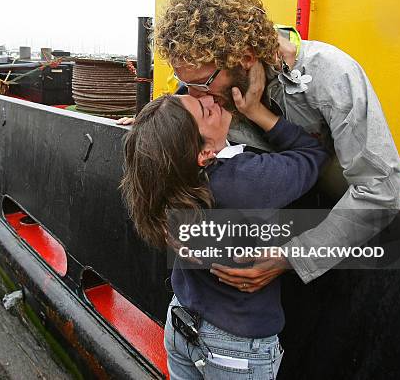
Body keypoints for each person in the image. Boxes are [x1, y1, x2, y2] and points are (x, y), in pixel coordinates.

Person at [148, 0, 400, 289]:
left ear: (244, 58)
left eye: (202, 83)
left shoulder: (331, 77)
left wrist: (293, 257)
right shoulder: (209, 80)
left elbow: (382, 190)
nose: (193, 96)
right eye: (182, 79)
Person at [121, 63, 329, 379]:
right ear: (204, 153)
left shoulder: (169, 179)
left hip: (182, 321)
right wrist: (258, 112)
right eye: (205, 111)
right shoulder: (243, 180)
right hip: (236, 348)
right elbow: (312, 154)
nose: (211, 99)